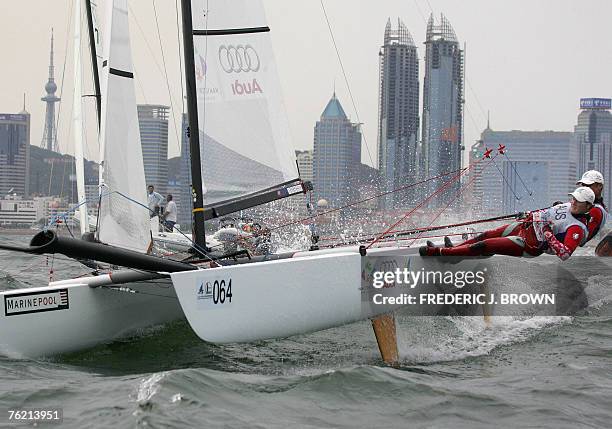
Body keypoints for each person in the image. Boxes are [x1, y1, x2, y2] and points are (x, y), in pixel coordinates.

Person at [420, 187, 595, 261]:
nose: (573, 201)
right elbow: (547, 213)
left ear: (587, 206)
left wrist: (548, 233)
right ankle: (456, 249)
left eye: (578, 201)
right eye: (573, 198)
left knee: (485, 245)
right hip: (524, 227)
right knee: (484, 235)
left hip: (529, 245)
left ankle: (441, 252)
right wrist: (530, 214)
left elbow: (564, 254)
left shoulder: (576, 229)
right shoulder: (567, 205)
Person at [576, 170, 608, 242]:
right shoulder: (587, 206)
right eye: (583, 185)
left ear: (600, 186)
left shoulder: (596, 209)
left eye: (588, 185)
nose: (584, 188)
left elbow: (582, 238)